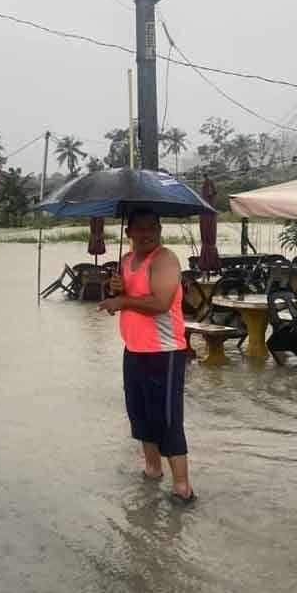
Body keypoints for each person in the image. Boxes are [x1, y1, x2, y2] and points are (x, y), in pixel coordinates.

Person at [98, 210, 195, 504]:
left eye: (152, 227)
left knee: (167, 420)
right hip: (135, 350)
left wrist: (122, 299)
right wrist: (114, 288)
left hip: (164, 353)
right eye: (139, 228)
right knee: (139, 414)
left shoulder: (165, 260)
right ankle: (152, 470)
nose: (146, 234)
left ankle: (183, 488)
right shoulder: (127, 261)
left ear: (160, 229)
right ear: (128, 232)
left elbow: (161, 303)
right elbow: (126, 297)